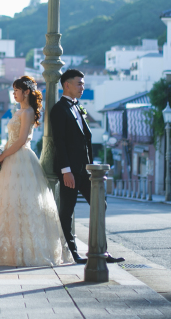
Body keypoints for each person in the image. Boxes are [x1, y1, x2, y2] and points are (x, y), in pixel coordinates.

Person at [0, 75, 73, 266]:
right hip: (11, 157)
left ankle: (24, 250)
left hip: (22, 159)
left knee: (22, 203)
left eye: (16, 90)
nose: (13, 94)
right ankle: (8, 249)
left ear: (26, 92)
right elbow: (10, 140)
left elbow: (21, 141)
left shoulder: (27, 112)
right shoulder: (17, 111)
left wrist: (2, 156)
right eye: (13, 90)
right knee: (6, 202)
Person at [49, 69, 124, 265]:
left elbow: (85, 140)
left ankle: (100, 250)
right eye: (80, 84)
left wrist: (93, 170)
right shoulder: (59, 109)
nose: (83, 87)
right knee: (67, 211)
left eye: (83, 84)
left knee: (100, 205)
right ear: (67, 85)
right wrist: (66, 171)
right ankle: (72, 252)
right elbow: (60, 142)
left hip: (86, 171)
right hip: (70, 172)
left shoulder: (77, 107)